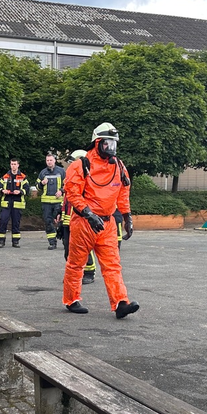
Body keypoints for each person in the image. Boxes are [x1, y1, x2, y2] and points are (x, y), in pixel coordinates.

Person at [62, 123, 137, 317]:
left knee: (113, 265)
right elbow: (73, 193)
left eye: (113, 144)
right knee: (76, 264)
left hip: (107, 223)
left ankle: (121, 303)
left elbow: (123, 192)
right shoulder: (81, 165)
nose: (111, 148)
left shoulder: (118, 166)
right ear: (97, 143)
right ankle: (71, 299)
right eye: (107, 144)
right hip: (84, 223)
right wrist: (89, 214)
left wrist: (127, 217)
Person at [58, 150, 96, 284]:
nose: (70, 166)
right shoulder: (70, 179)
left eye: (73, 163)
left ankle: (89, 273)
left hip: (81, 221)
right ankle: (73, 274)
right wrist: (60, 213)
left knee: (84, 248)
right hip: (68, 220)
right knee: (68, 249)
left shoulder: (87, 181)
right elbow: (67, 199)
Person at [0, 158, 29, 248]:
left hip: (17, 203)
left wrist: (20, 192)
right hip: (6, 202)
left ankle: (15, 241)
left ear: (18, 165)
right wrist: (2, 190)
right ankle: (1, 241)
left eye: (15, 164)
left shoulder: (23, 177)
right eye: (12, 164)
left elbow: (27, 189)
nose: (13, 166)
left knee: (16, 223)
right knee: (3, 221)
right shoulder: (5, 176)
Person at [38, 153, 66, 250]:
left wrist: (61, 191)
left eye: (51, 160)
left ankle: (65, 241)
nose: (49, 162)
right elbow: (37, 186)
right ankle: (52, 243)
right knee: (48, 222)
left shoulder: (61, 171)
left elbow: (68, 184)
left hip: (59, 202)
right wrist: (41, 183)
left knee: (62, 222)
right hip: (46, 203)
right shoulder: (43, 173)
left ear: (54, 160)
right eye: (47, 160)